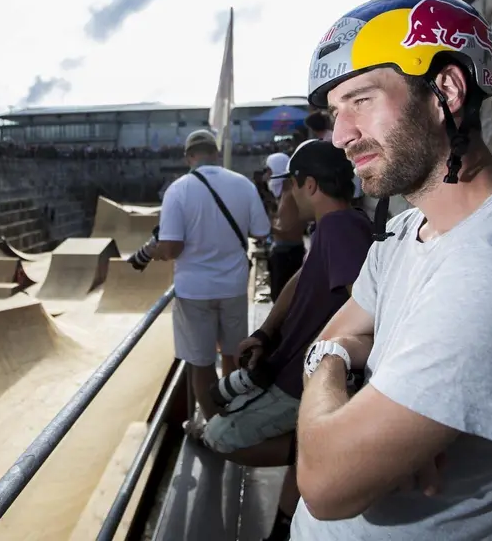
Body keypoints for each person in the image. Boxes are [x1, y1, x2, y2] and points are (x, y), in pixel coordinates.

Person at [291, 0, 492, 540]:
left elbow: (325, 481)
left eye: (360, 100)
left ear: (446, 91)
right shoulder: (405, 233)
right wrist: (342, 362)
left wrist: (339, 371)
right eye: (336, 113)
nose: (341, 136)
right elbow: (331, 339)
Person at [200, 138, 373, 541]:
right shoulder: (336, 225)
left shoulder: (342, 228)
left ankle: (316, 447)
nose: (291, 194)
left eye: (293, 185)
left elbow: (363, 302)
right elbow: (302, 277)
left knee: (220, 438)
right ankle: (284, 524)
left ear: (308, 184)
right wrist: (267, 331)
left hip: (304, 379)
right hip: (297, 369)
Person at [153, 129, 272, 427]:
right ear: (216, 153)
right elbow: (261, 232)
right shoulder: (242, 184)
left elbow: (172, 248)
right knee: (233, 354)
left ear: (188, 157)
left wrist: (157, 251)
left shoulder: (178, 190)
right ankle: (233, 417)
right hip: (233, 286)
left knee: (201, 361)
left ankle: (212, 426)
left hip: (193, 291)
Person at [265, 151, 305, 301]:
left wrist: (267, 228)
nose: (267, 175)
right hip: (285, 252)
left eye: (269, 171)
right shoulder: (285, 194)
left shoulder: (290, 197)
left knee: (282, 298)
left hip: (287, 255)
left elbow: (290, 232)